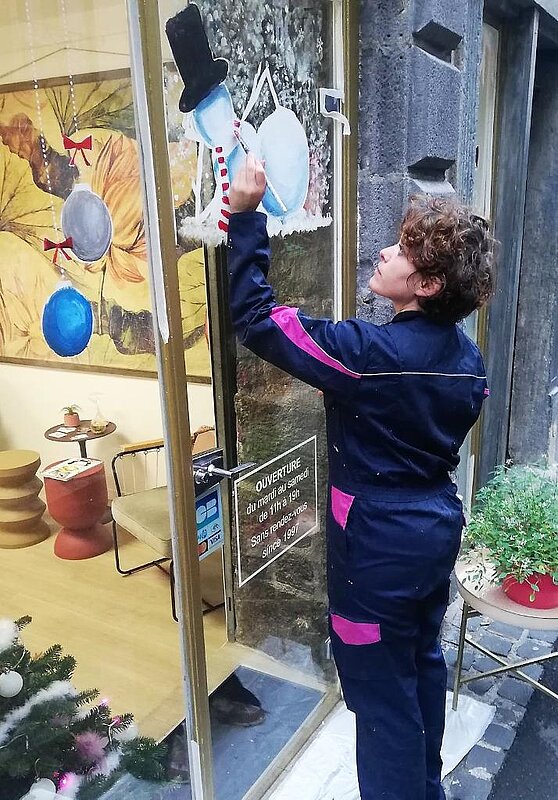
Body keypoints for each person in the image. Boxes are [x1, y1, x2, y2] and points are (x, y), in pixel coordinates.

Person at [226, 153, 494, 800]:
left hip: (377, 549)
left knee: (380, 703)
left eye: (401, 251)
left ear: (428, 285)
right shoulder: (467, 359)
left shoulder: (372, 356)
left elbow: (258, 319)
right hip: (432, 533)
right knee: (419, 667)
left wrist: (244, 216)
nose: (383, 252)